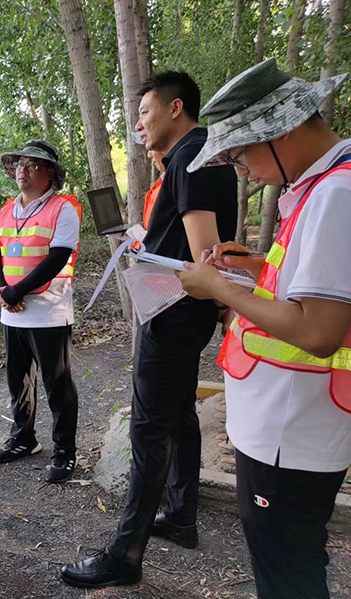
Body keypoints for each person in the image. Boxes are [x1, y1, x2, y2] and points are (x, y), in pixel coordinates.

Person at [178, 59, 351, 599]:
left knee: (287, 574)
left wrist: (218, 286)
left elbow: (318, 330)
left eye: (239, 154)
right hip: (290, 427)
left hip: (291, 433)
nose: (242, 170)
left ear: (280, 131)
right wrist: (253, 266)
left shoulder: (337, 194)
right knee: (289, 562)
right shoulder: (321, 186)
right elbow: (312, 287)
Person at [61, 72, 238, 588]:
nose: (138, 124)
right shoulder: (199, 157)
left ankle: (125, 555)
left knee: (148, 427)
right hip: (183, 311)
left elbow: (203, 258)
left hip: (174, 311)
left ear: (175, 108)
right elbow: (193, 245)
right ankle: (181, 515)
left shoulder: (191, 157)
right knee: (178, 412)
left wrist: (202, 289)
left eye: (144, 112)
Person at [0, 140, 82, 484]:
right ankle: (24, 438)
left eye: (32, 165)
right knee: (18, 381)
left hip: (48, 312)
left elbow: (57, 258)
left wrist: (18, 290)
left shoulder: (62, 209)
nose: (22, 171)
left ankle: (65, 451)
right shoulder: (6, 211)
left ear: (50, 174)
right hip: (12, 312)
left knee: (58, 385)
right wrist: (4, 290)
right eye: (19, 164)